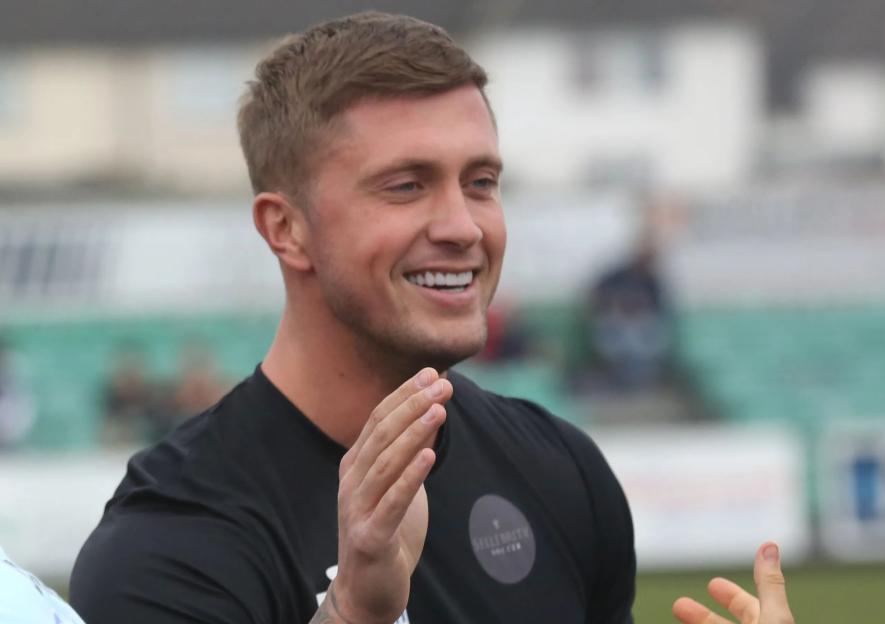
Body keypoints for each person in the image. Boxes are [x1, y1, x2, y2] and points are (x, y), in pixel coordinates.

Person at [69, 12, 796, 624]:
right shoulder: (169, 546)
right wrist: (353, 609)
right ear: (286, 230)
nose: (462, 226)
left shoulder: (562, 470)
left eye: (480, 183)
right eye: (406, 185)